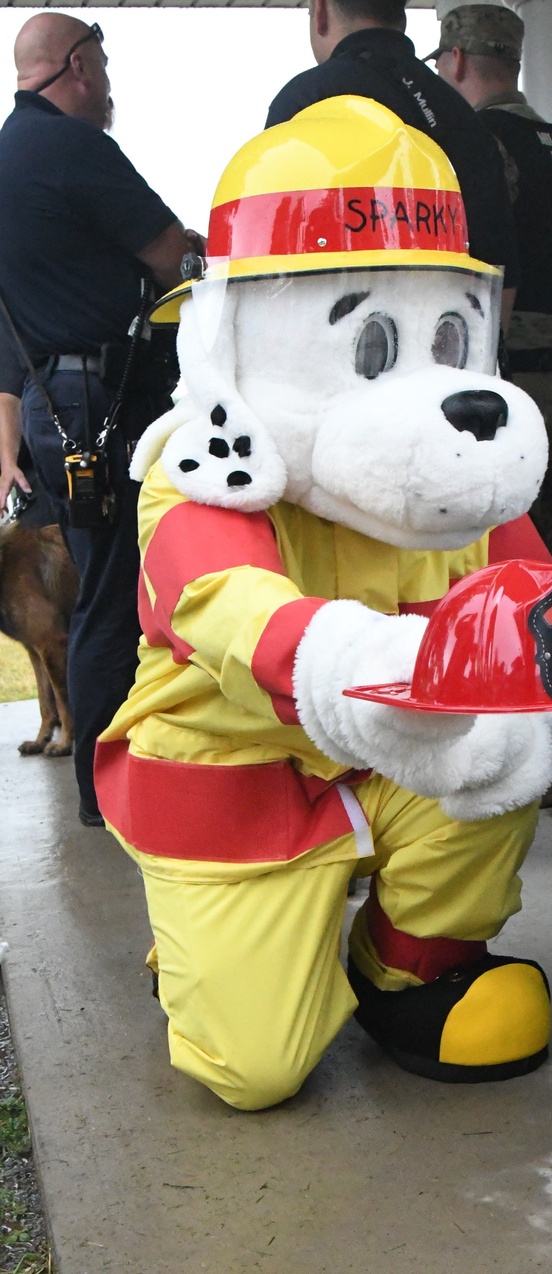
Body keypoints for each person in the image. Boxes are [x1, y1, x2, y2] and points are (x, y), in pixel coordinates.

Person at [0, 13, 197, 826]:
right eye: (104, 70)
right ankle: (111, 791)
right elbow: (169, 255)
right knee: (118, 601)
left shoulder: (6, 157)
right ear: (77, 65)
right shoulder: (75, 147)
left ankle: (102, 779)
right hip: (107, 404)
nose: (110, 89)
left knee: (97, 597)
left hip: (55, 409)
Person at [433, 4, 552, 806]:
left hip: (504, 391)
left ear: (460, 57)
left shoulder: (476, 147)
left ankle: (537, 755)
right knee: (550, 565)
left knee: (499, 570)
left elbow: (469, 270)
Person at [266, 0, 520, 322]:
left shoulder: (304, 102)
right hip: (449, 356)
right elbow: (499, 280)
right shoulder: (464, 118)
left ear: (321, 11)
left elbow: (270, 260)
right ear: (399, 13)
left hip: (329, 355)